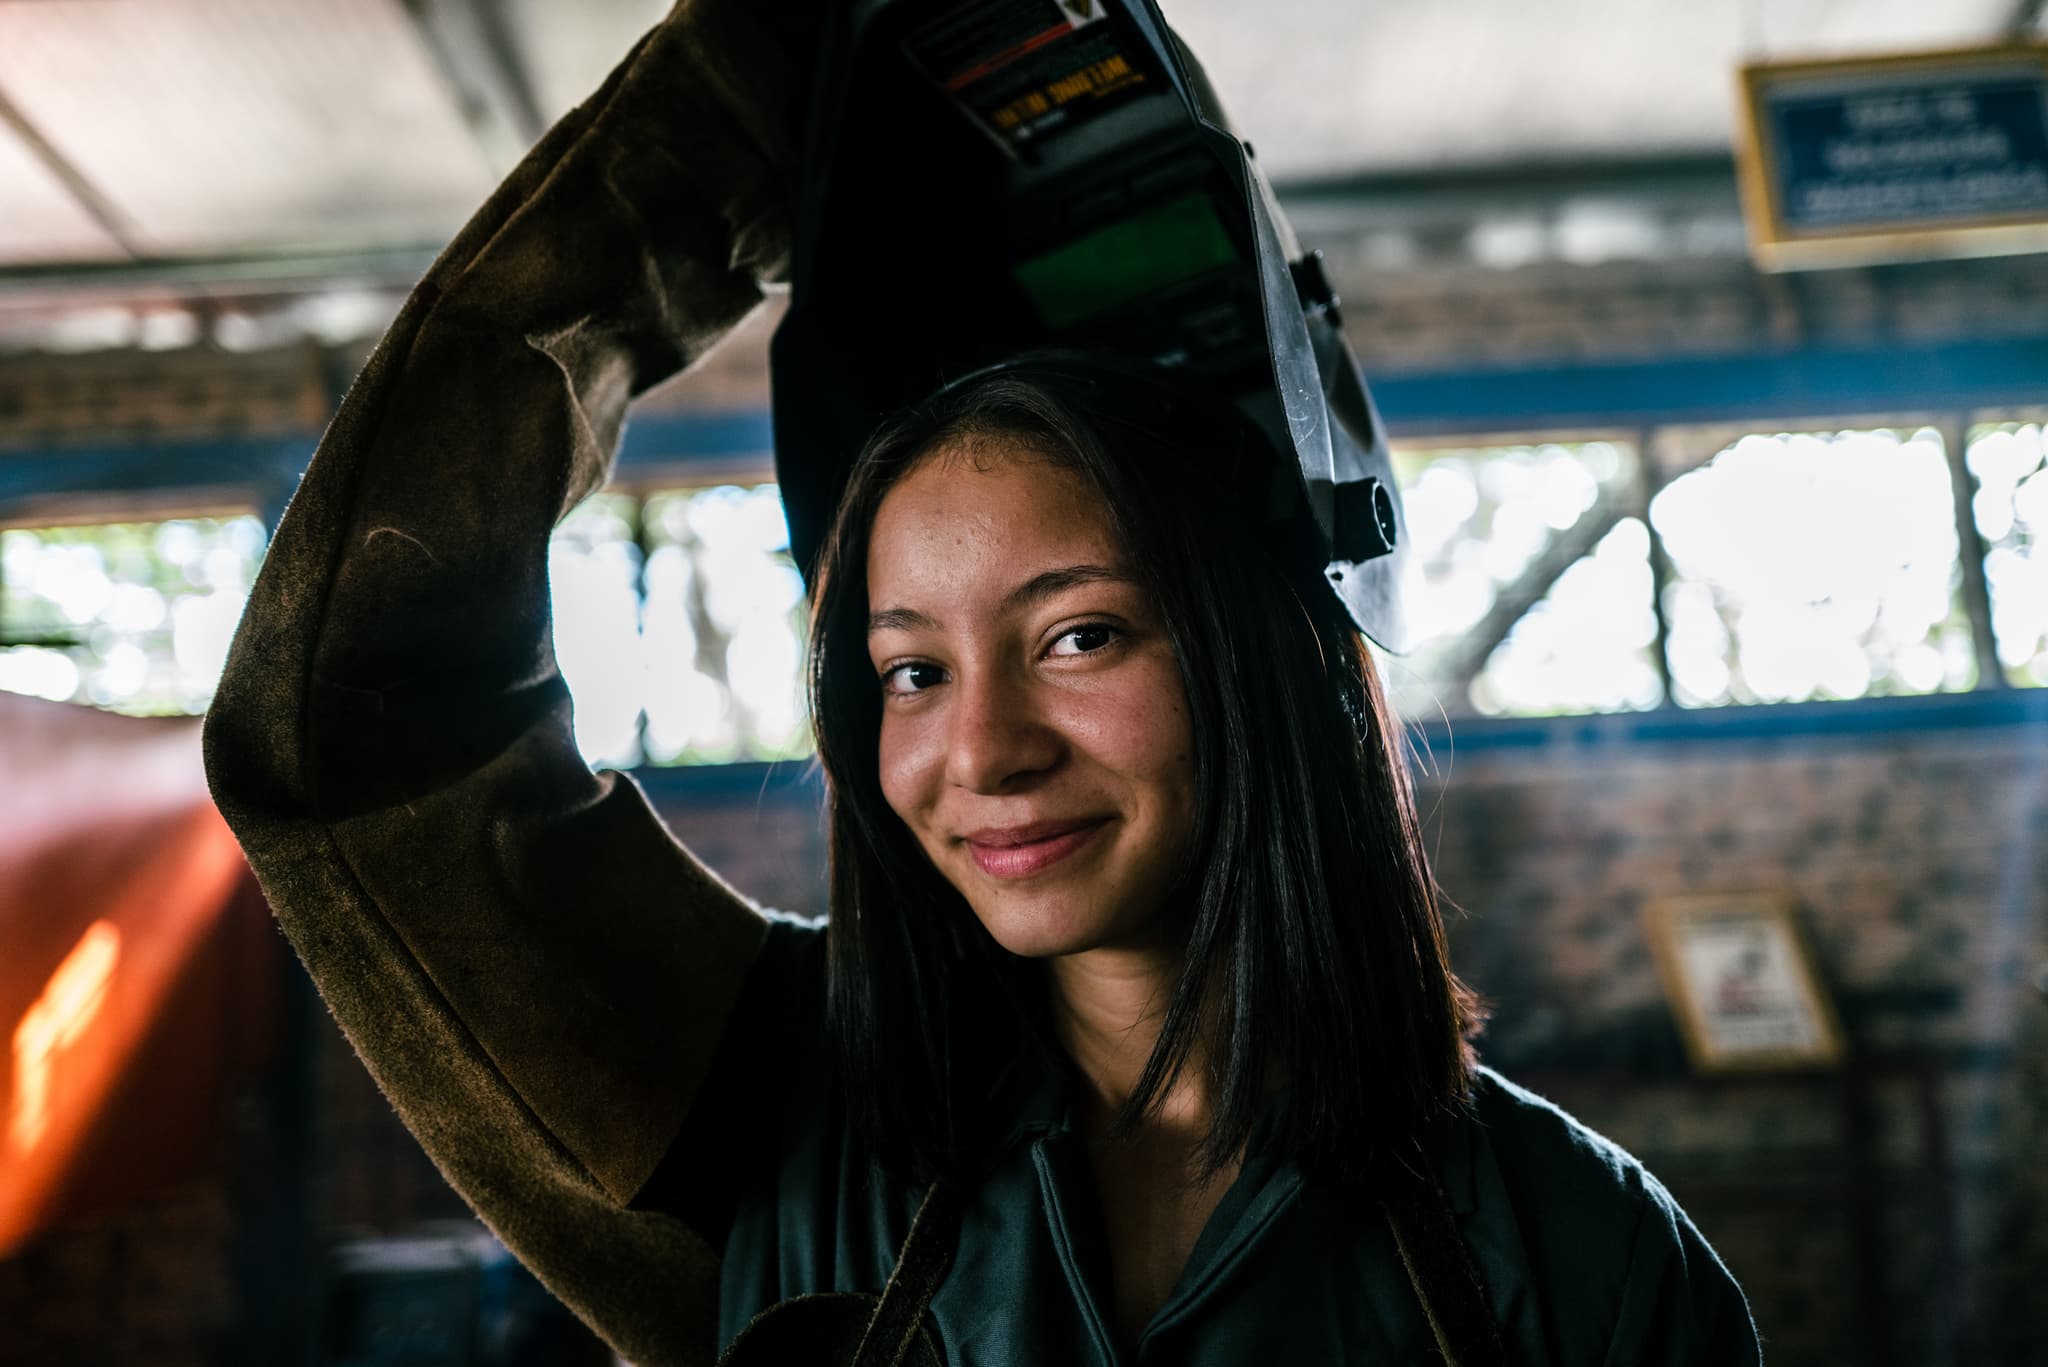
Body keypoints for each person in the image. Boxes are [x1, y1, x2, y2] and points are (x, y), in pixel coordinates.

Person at [203, 3, 1761, 1365]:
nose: (984, 752)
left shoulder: (1592, 1264)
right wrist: (746, 92)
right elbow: (351, 728)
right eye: (910, 670)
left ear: (1263, 658)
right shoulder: (764, 1108)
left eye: (1081, 635)